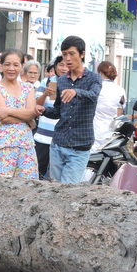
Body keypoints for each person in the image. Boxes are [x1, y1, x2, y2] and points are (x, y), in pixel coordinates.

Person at [35, 35, 102, 183]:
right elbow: (58, 111)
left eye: (72, 53)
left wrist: (76, 92)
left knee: (68, 190)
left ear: (82, 54)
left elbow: (93, 96)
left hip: (80, 146)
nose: (68, 58)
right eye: (65, 54)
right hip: (58, 143)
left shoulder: (94, 78)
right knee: (56, 189)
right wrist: (44, 110)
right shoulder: (61, 81)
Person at [0, 48, 38, 179]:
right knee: (2, 189)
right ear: (1, 66)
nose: (11, 68)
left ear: (21, 67)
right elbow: (5, 119)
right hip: (2, 146)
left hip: (26, 145)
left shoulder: (28, 88)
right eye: (7, 64)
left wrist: (8, 110)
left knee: (29, 188)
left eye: (16, 65)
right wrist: (27, 118)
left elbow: (31, 112)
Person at [34, 55, 69, 179]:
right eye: (61, 65)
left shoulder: (72, 83)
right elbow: (37, 104)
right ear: (55, 67)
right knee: (38, 172)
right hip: (43, 137)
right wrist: (45, 94)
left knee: (57, 175)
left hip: (62, 138)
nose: (64, 68)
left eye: (67, 65)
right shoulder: (47, 81)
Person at [92, 61, 126, 151]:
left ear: (100, 73)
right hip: (112, 133)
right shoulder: (120, 90)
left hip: (96, 131)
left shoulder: (97, 88)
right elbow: (119, 113)